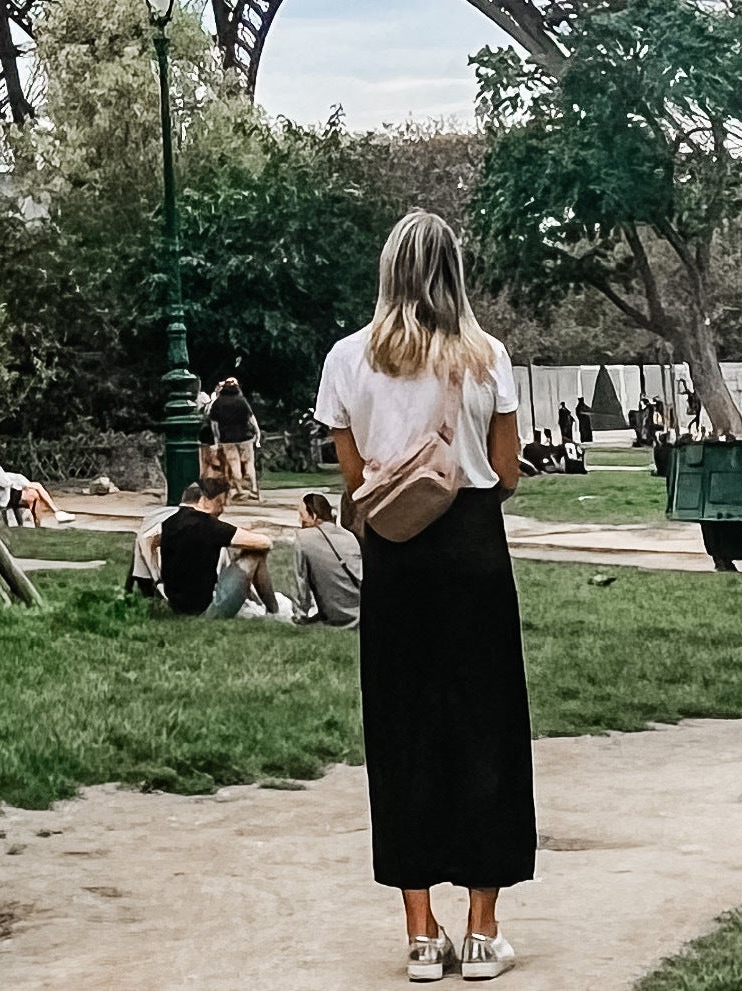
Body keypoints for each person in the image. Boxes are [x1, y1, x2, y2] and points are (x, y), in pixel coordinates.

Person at [316, 210, 534, 985]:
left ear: (387, 271)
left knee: (401, 729)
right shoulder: (487, 357)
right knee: (488, 728)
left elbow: (354, 480)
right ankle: (482, 929)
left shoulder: (347, 358)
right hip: (473, 548)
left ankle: (419, 931)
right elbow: (505, 471)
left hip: (396, 559)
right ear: (455, 271)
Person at [156, 482, 281, 618]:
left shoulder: (169, 522)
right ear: (204, 501)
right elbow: (265, 542)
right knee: (255, 555)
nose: (222, 510)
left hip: (177, 606)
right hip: (206, 610)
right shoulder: (208, 525)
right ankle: (274, 611)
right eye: (219, 503)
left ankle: (263, 605)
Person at [293, 488, 363, 629]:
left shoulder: (303, 539)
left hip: (339, 618)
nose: (299, 520)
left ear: (314, 516)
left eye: (302, 515)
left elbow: (301, 587)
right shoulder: (349, 536)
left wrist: (300, 616)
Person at [209, 374, 261, 497]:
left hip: (227, 439)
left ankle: (239, 490)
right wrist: (257, 431)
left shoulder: (218, 402)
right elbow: (251, 418)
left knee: (233, 463)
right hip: (245, 437)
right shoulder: (242, 401)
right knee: (249, 462)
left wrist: (216, 439)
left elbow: (214, 424)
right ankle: (253, 488)